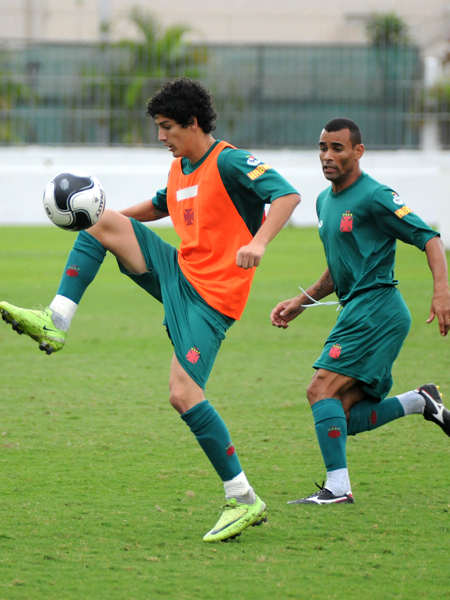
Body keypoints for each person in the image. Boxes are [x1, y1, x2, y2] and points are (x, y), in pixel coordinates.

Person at [0, 78, 301, 539]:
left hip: (212, 300)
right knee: (97, 222)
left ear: (192, 122)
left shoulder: (231, 161)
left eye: (166, 127)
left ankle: (244, 499)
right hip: (178, 273)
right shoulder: (181, 167)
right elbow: (161, 205)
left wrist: (258, 242)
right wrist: (111, 222)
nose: (160, 136)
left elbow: (287, 195)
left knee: (183, 395)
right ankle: (55, 321)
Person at [270, 117, 450, 505]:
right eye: (323, 148)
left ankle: (337, 489)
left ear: (358, 151)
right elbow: (340, 267)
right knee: (342, 413)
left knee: (320, 390)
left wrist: (441, 291)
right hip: (357, 309)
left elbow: (430, 238)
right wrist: (302, 301)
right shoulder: (324, 201)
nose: (327, 156)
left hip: (377, 310)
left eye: (337, 148)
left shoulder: (376, 196)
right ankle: (420, 401)